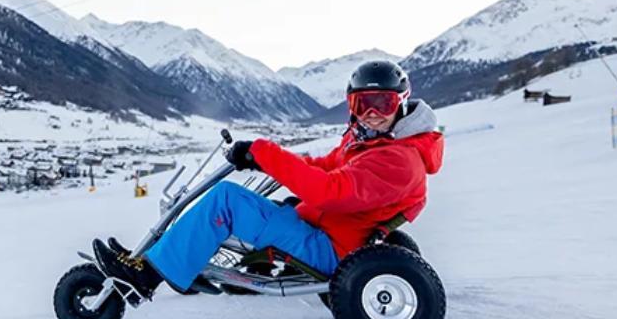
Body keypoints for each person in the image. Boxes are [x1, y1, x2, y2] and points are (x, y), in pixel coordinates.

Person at [93, 59, 444, 297]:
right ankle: (177, 259)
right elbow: (328, 166)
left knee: (226, 201)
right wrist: (270, 164)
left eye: (381, 104)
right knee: (269, 205)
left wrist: (263, 153)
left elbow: (329, 192)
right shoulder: (377, 143)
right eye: (360, 104)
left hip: (330, 249)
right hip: (330, 231)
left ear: (401, 102)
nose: (370, 114)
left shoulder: (397, 160)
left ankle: (143, 277)